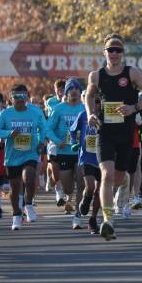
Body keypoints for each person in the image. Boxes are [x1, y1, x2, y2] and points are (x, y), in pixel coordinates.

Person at [85, 34, 142, 240]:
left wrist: (133, 107)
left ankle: (124, 181)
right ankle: (108, 220)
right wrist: (90, 113)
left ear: (122, 53)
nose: (114, 53)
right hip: (104, 132)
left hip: (126, 134)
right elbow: (88, 96)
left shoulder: (132, 73)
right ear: (104, 52)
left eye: (118, 50)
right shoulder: (96, 76)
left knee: (117, 177)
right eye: (110, 50)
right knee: (106, 175)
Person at [0, 84, 46, 230]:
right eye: (17, 97)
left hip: (30, 152)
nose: (21, 100)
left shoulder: (35, 111)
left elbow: (43, 128)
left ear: (27, 96)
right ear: (11, 98)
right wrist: (8, 133)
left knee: (29, 176)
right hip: (12, 155)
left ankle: (28, 204)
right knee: (15, 188)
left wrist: (41, 142)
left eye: (23, 96)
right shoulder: (5, 114)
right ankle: (16, 215)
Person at [46, 78, 85, 214]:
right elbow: (48, 129)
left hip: (81, 152)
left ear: (80, 92)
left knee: (81, 183)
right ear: (66, 92)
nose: (74, 91)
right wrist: (57, 141)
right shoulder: (59, 109)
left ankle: (78, 213)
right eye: (71, 89)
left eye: (76, 89)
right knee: (68, 187)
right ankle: (68, 197)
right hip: (64, 151)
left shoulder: (85, 108)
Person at [70, 92, 102, 232]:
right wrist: (73, 142)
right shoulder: (83, 115)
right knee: (89, 186)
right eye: (93, 101)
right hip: (87, 156)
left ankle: (93, 219)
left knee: (100, 191)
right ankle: (85, 200)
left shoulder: (108, 116)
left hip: (103, 157)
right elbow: (72, 130)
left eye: (98, 101)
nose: (95, 105)